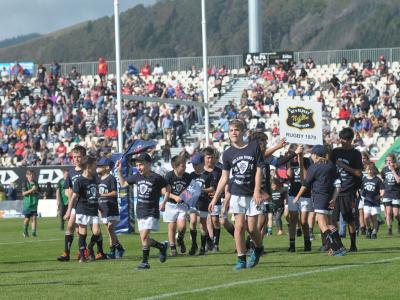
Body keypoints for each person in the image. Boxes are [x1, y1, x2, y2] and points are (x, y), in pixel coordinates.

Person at [209, 119, 265, 270]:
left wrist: (257, 190)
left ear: (243, 132)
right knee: (239, 227)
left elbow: (259, 169)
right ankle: (241, 258)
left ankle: (259, 248)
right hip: (237, 194)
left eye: (236, 130)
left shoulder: (253, 147)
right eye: (231, 130)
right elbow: (224, 177)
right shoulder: (227, 153)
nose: (234, 133)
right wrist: (215, 198)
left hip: (252, 194)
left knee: (252, 229)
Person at [116, 152, 168, 270]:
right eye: (137, 165)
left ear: (149, 164)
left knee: (144, 237)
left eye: (141, 164)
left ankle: (145, 262)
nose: (139, 167)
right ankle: (161, 246)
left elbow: (167, 190)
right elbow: (123, 184)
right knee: (145, 239)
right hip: (140, 211)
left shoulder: (157, 178)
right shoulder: (137, 177)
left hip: (152, 211)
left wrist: (164, 202)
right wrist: (119, 171)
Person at [294, 145, 345, 256]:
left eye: (312, 154)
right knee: (330, 223)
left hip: (319, 196)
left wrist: (297, 196)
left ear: (315, 155)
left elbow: (305, 183)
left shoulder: (315, 167)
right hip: (330, 196)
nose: (311, 156)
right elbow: (338, 184)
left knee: (322, 225)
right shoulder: (331, 165)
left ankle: (335, 248)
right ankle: (340, 246)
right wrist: (334, 198)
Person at [331, 127, 363, 252]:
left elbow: (359, 173)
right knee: (332, 219)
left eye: (344, 139)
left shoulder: (355, 153)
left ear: (350, 140)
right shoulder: (335, 152)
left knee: (349, 218)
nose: (342, 142)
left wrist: (344, 166)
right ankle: (338, 244)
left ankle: (353, 244)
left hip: (348, 190)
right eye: (341, 139)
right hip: (334, 190)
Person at [64, 156, 101, 263]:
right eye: (94, 164)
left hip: (93, 209)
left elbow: (95, 194)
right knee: (82, 232)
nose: (96, 166)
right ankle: (82, 256)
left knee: (97, 232)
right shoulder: (79, 181)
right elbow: (73, 197)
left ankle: (89, 247)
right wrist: (69, 211)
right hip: (82, 209)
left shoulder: (94, 178)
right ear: (89, 166)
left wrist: (100, 206)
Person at [57, 145, 87, 262]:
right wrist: (70, 205)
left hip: (86, 204)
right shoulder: (71, 173)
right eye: (74, 157)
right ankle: (67, 253)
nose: (76, 159)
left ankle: (86, 251)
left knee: (88, 229)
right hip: (75, 205)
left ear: (84, 157)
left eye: (79, 157)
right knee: (71, 226)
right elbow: (67, 189)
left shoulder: (88, 170)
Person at [160, 155, 191, 256]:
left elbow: (190, 190)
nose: (185, 167)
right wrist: (174, 197)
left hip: (182, 205)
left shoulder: (187, 176)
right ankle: (173, 248)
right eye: (183, 166)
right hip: (170, 204)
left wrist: (186, 197)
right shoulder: (169, 176)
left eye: (185, 165)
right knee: (172, 226)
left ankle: (180, 239)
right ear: (175, 167)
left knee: (182, 226)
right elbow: (164, 191)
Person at [97, 157, 125, 259]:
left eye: (100, 166)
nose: (98, 167)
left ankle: (112, 250)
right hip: (103, 208)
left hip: (112, 208)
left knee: (110, 229)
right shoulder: (98, 179)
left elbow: (114, 192)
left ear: (107, 167)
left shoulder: (111, 178)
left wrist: (102, 195)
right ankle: (119, 248)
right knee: (109, 231)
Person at [288, 145, 313, 252]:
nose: (294, 156)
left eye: (296, 153)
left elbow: (305, 179)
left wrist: (301, 161)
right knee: (292, 219)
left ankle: (307, 242)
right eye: (292, 153)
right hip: (292, 193)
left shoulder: (307, 161)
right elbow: (289, 177)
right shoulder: (289, 162)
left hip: (305, 194)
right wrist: (289, 163)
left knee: (303, 221)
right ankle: (292, 244)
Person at [188, 153, 214, 256]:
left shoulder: (208, 175)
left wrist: (202, 190)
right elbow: (188, 189)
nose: (194, 166)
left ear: (202, 164)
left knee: (203, 225)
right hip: (193, 202)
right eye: (193, 164)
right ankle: (194, 244)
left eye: (196, 164)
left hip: (203, 202)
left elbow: (212, 188)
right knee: (193, 221)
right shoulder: (191, 175)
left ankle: (203, 247)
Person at [202, 147, 223, 252]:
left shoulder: (219, 171)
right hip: (202, 201)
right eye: (208, 158)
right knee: (204, 222)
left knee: (215, 220)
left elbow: (224, 185)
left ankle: (216, 243)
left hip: (215, 199)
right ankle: (208, 242)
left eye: (212, 158)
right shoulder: (200, 170)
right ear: (204, 158)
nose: (210, 160)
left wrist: (218, 193)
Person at [361, 163, 384, 239]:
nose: (370, 171)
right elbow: (360, 190)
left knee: (374, 218)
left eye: (371, 169)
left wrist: (380, 196)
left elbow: (382, 190)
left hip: (375, 202)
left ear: (374, 170)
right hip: (367, 201)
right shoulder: (364, 179)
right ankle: (368, 228)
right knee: (366, 217)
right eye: (368, 169)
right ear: (366, 170)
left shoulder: (377, 179)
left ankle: (374, 232)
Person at [381, 153, 400, 235]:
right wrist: (382, 191)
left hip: (396, 193)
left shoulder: (398, 169)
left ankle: (399, 223)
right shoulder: (384, 169)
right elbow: (382, 180)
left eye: (390, 160)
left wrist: (392, 170)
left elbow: (398, 180)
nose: (388, 162)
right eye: (387, 160)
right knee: (388, 213)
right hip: (387, 193)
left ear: (394, 161)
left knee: (396, 214)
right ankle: (389, 228)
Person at [22, 170, 39, 238]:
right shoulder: (25, 183)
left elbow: (38, 191)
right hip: (27, 204)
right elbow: (23, 193)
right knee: (27, 219)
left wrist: (36, 191)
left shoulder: (35, 183)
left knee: (34, 218)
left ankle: (34, 233)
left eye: (33, 175)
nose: (32, 176)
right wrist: (32, 190)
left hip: (34, 203)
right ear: (27, 175)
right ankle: (25, 231)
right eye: (30, 175)